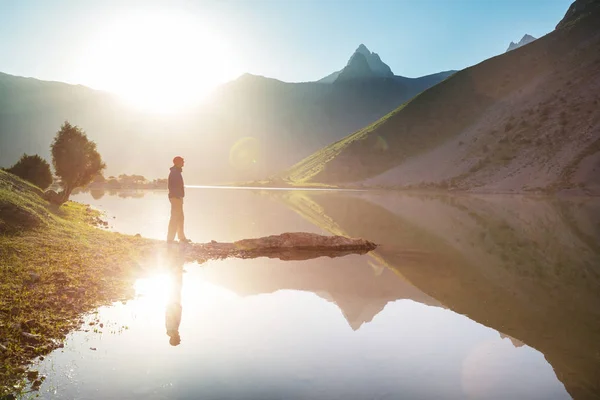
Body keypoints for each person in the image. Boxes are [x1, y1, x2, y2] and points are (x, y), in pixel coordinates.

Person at [167, 156, 190, 243]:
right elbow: (173, 186)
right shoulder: (174, 172)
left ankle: (181, 237)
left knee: (180, 217)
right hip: (176, 197)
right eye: (182, 161)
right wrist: (177, 196)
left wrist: (180, 196)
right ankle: (170, 239)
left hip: (177, 197)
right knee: (175, 217)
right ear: (177, 162)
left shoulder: (176, 172)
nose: (183, 163)